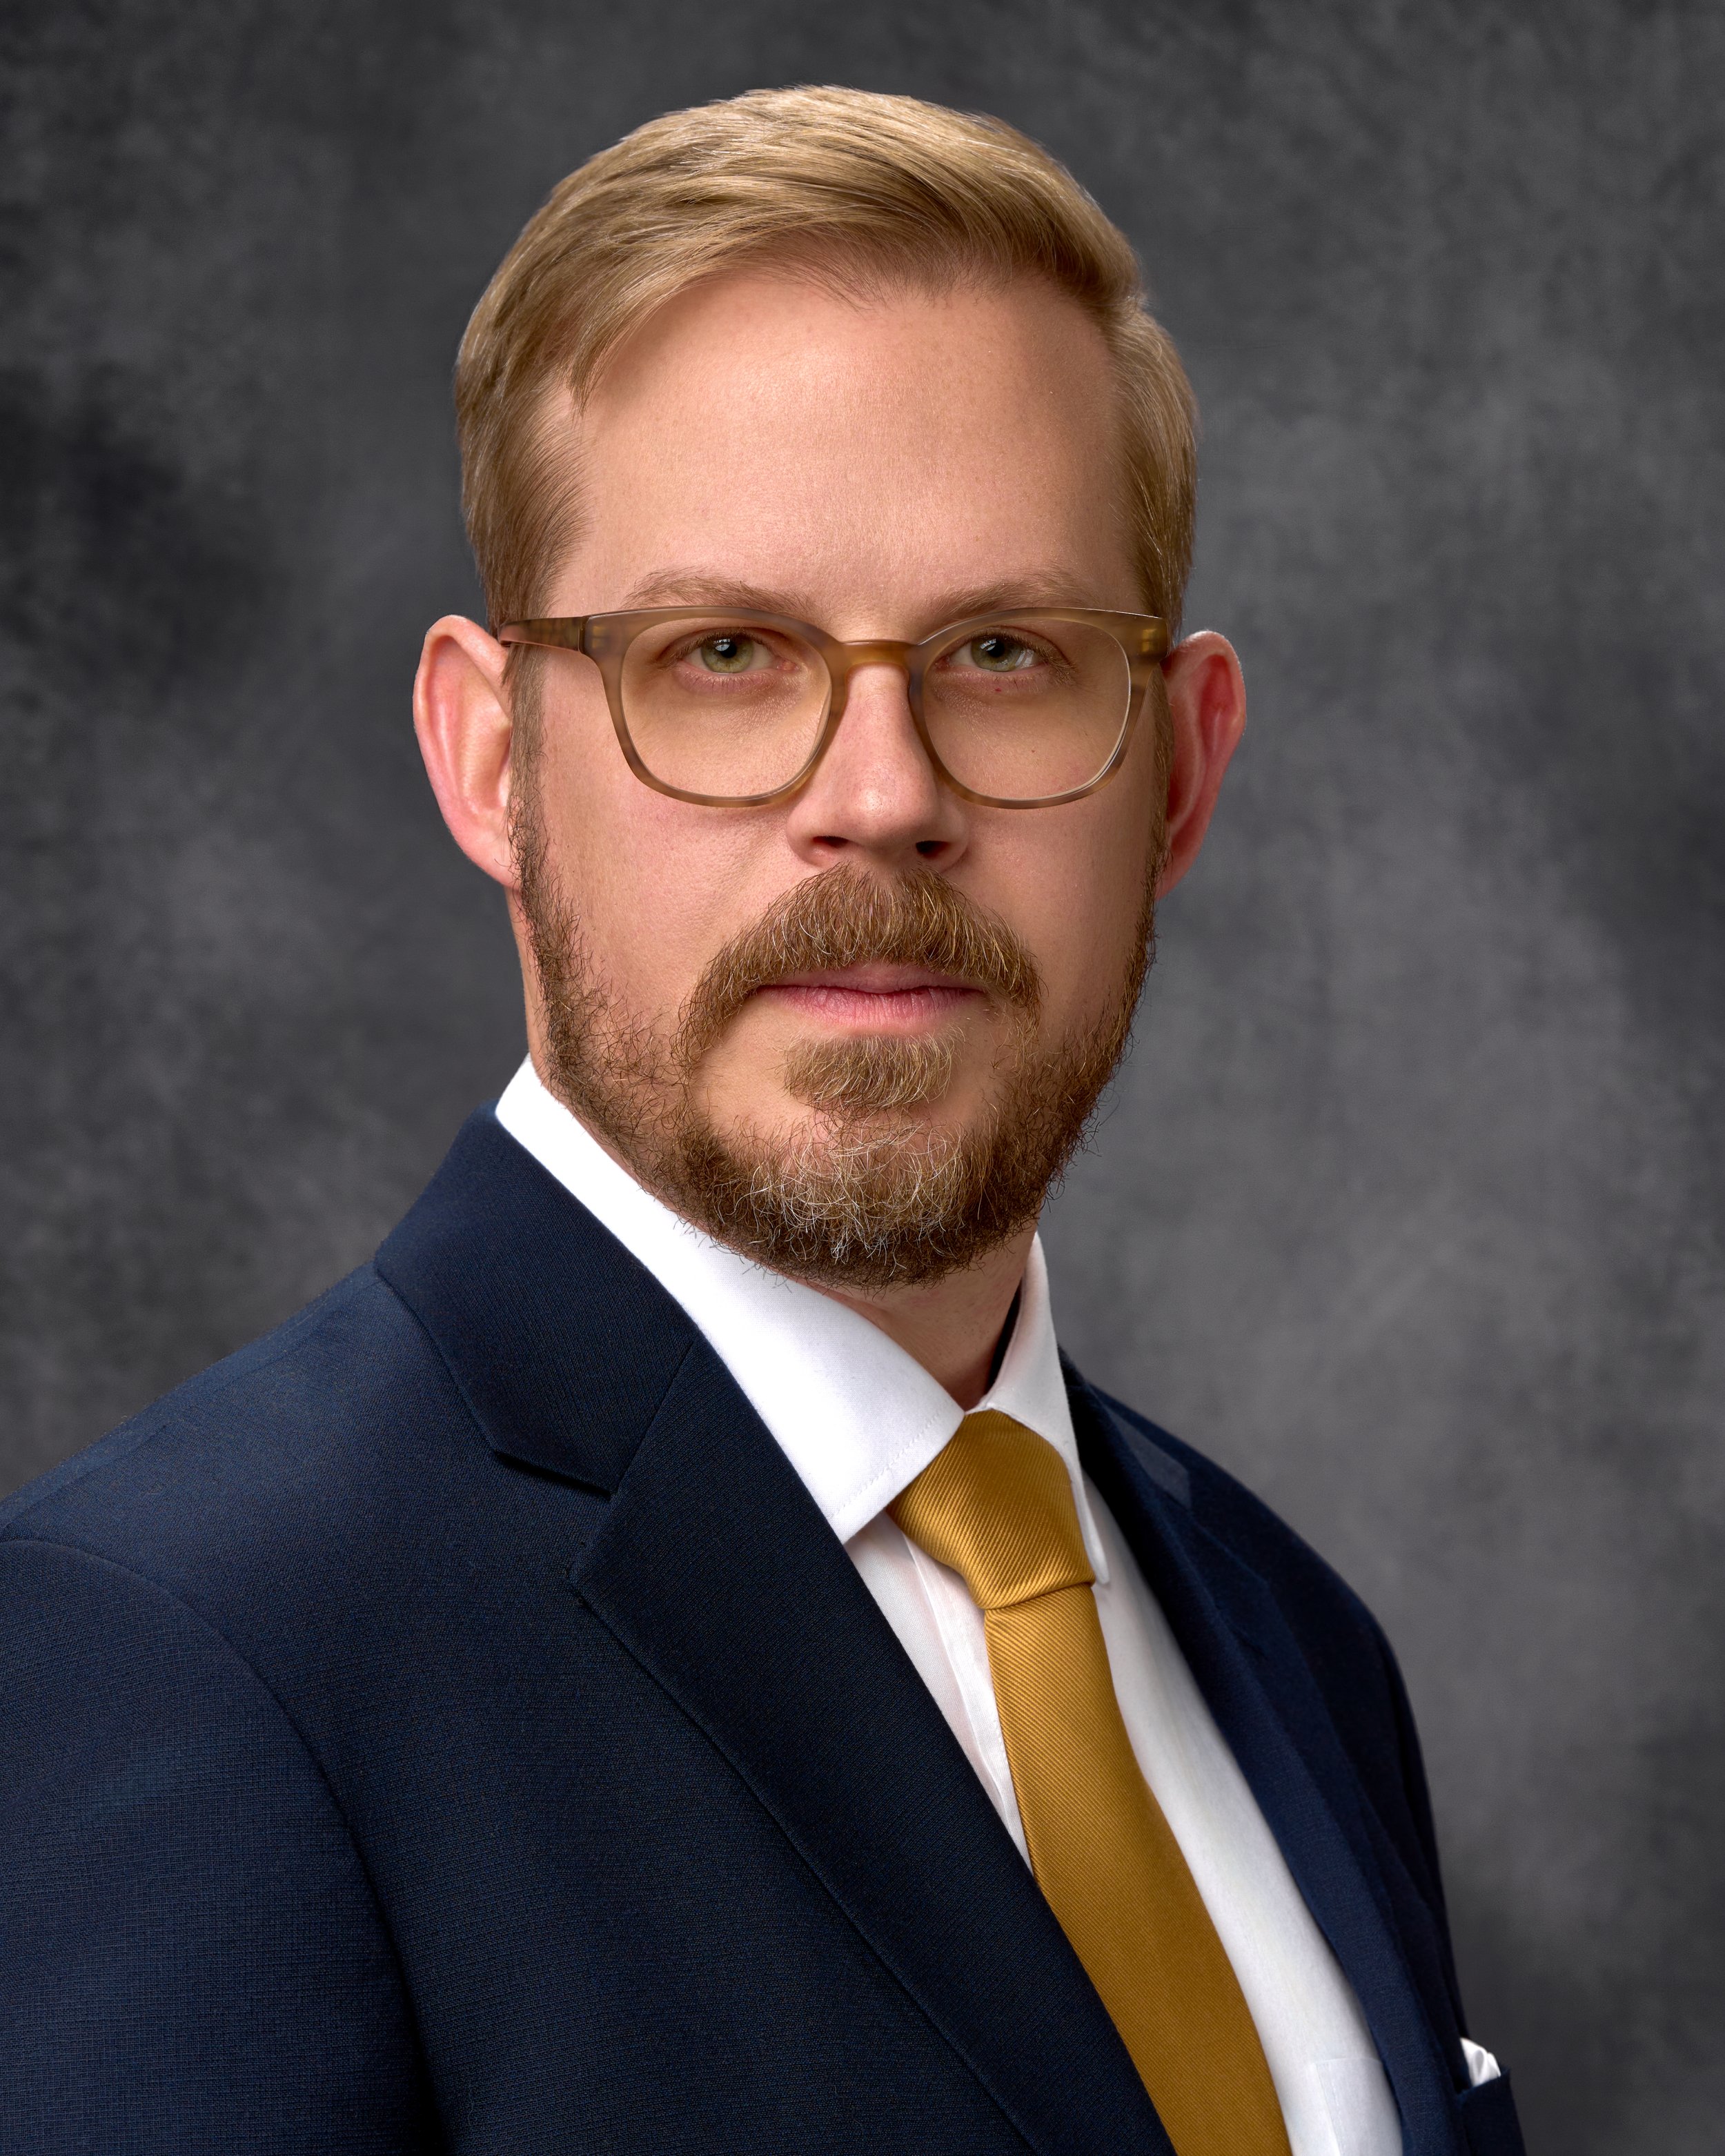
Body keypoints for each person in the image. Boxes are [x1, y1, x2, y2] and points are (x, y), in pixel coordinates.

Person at [0, 87, 1524, 2156]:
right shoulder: (177, 1649)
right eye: (723, 655)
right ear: (490, 763)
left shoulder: (1290, 1634)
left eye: (1003, 651)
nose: (881, 791)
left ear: (1174, 770)